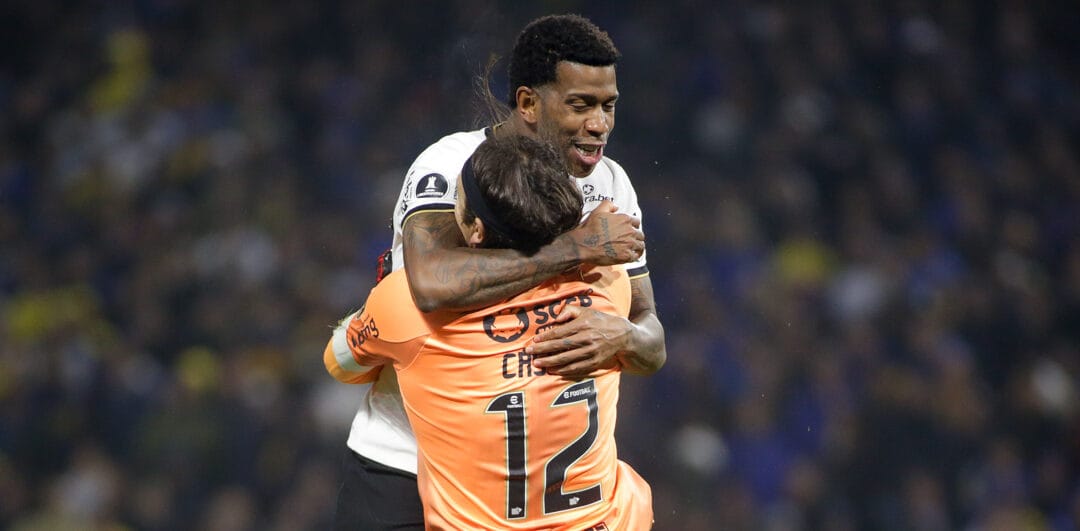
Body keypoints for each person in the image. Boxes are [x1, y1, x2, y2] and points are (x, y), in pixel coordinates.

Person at [333, 14, 667, 530]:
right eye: (580, 105)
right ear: (528, 102)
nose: (600, 124)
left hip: (527, 481)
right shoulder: (452, 166)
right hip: (405, 461)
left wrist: (623, 336)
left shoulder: (612, 185)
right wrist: (575, 247)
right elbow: (432, 283)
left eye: (609, 106)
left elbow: (651, 338)